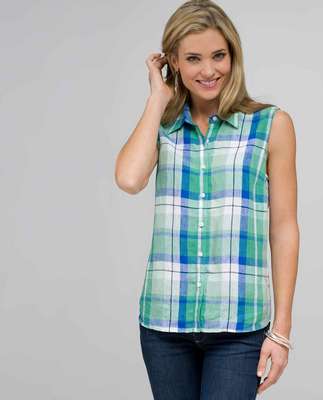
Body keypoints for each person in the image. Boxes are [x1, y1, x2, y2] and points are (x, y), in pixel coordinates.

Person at [115, 1, 299, 398]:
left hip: (239, 327)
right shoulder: (162, 126)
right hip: (164, 324)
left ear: (233, 55)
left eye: (218, 55)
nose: (209, 70)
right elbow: (129, 180)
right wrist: (157, 98)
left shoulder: (270, 125)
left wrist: (281, 331)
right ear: (174, 62)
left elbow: (284, 228)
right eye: (193, 59)